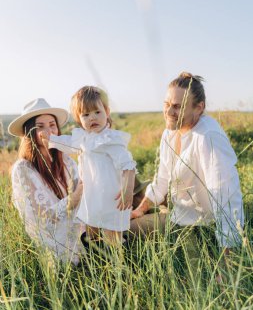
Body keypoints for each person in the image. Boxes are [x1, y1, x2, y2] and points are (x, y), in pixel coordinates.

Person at [131, 72, 244, 254]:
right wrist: (140, 210)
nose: (168, 112)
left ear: (199, 108)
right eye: (166, 104)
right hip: (176, 205)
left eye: (177, 107)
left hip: (196, 223)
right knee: (131, 188)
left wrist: (227, 261)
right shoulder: (170, 132)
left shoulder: (208, 137)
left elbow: (226, 197)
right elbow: (161, 179)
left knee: (126, 230)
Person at [41, 86, 136, 246]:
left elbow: (128, 166)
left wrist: (127, 190)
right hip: (92, 196)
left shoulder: (110, 139)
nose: (92, 118)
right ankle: (96, 257)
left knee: (112, 233)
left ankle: (118, 264)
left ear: (107, 111)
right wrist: (50, 139)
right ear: (79, 118)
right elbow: (68, 143)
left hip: (111, 197)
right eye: (86, 114)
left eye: (97, 112)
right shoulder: (83, 138)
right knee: (91, 226)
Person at [8, 98, 85, 265]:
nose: (48, 131)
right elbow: (43, 220)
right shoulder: (23, 169)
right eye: (40, 127)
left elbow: (85, 191)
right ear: (29, 132)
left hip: (82, 227)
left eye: (52, 124)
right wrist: (75, 198)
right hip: (56, 243)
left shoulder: (65, 159)